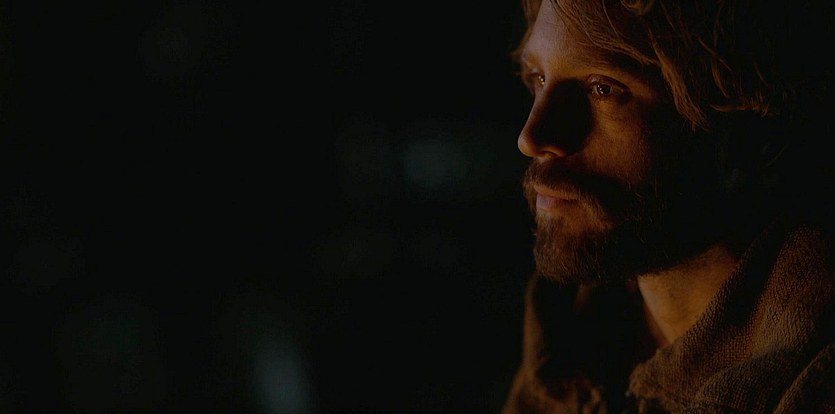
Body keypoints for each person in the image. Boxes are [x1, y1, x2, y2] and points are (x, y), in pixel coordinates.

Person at [502, 0, 835, 412]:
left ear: (745, 119)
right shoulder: (572, 339)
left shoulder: (812, 379)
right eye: (539, 78)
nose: (531, 137)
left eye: (602, 88)